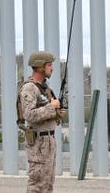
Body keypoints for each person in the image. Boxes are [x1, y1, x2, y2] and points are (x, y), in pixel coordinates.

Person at [20, 51, 66, 193]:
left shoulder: (44, 88)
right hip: (39, 142)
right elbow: (29, 115)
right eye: (49, 65)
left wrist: (57, 113)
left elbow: (45, 112)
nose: (52, 68)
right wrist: (51, 108)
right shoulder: (29, 88)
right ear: (40, 67)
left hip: (49, 140)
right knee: (37, 184)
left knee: (47, 184)